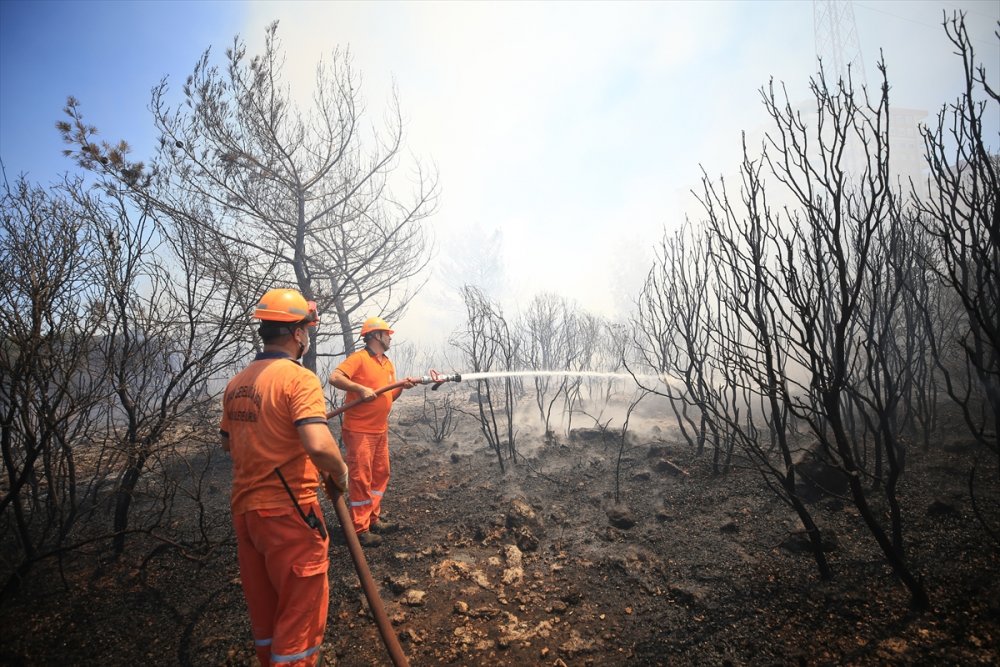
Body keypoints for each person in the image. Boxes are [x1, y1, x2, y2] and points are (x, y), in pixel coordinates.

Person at [220, 288, 349, 667]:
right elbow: (318, 444)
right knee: (299, 621)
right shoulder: (298, 379)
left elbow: (230, 444)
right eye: (307, 329)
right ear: (297, 333)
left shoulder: (238, 383)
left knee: (267, 618)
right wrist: (339, 472)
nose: (307, 337)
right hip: (289, 516)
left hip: (247, 517)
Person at [328, 316, 416, 547]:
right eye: (387, 334)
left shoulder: (386, 363)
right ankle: (359, 528)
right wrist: (359, 388)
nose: (389, 338)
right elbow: (334, 377)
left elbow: (388, 396)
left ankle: (373, 518)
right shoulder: (359, 359)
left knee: (381, 473)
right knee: (361, 478)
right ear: (376, 335)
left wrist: (401, 388)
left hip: (379, 430)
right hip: (359, 431)